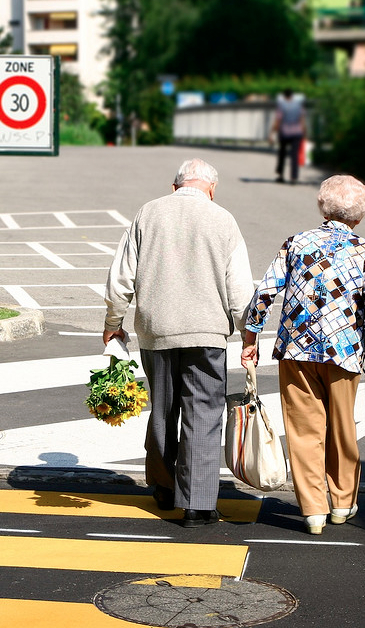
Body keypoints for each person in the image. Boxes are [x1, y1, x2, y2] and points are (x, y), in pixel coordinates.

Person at [103, 158, 254, 528]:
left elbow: (120, 278)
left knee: (163, 409)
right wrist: (249, 334)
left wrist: (112, 324)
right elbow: (240, 290)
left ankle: (165, 487)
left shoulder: (147, 214)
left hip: (156, 331)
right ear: (212, 189)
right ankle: (199, 505)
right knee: (203, 414)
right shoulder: (224, 220)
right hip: (207, 334)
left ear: (175, 186)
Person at [241, 175, 365, 535]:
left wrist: (251, 334)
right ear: (360, 215)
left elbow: (265, 291)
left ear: (323, 205)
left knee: (304, 430)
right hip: (344, 350)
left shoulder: (296, 243)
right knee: (341, 427)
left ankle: (313, 511)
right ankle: (342, 503)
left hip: (296, 348)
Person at [270, 89, 305, 184]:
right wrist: (304, 132)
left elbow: (278, 120)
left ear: (284, 96)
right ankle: (293, 177)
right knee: (294, 156)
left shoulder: (282, 105)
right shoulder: (298, 105)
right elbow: (302, 119)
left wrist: (272, 133)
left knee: (282, 154)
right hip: (297, 132)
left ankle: (280, 175)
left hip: (285, 132)